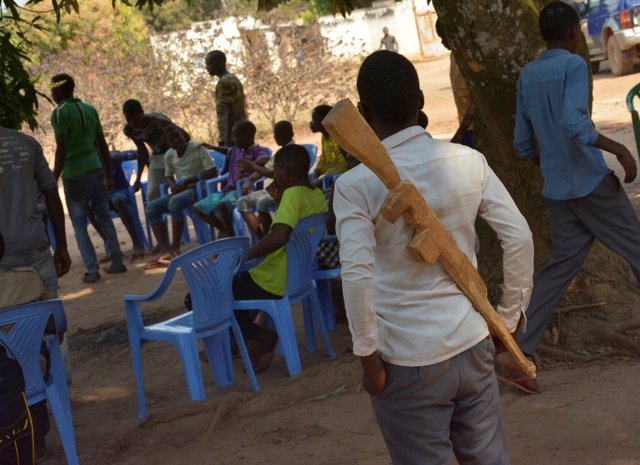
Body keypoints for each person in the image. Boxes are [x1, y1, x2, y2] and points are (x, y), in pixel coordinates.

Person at [333, 50, 534, 465]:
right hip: (472, 342)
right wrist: (508, 319)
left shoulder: (354, 185)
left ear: (366, 114)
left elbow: (355, 275)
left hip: (406, 359)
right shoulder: (468, 161)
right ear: (421, 101)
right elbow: (520, 236)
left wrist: (368, 360)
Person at [504, 1, 640, 393]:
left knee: (560, 268)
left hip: (558, 192)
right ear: (573, 35)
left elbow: (521, 142)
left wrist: (550, 167)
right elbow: (572, 121)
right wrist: (620, 149)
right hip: (591, 184)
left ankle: (520, 350)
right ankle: (520, 349)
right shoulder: (574, 65)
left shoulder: (528, 74)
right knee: (636, 249)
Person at [0, 126, 72, 461]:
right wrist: (61, 245)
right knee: (47, 333)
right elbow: (50, 193)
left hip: (3, 259)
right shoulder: (25, 142)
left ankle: (20, 419)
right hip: (38, 249)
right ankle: (56, 396)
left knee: (9, 347)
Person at [233, 144, 328, 371]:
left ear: (284, 173)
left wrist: (245, 256)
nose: (274, 177)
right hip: (298, 276)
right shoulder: (316, 195)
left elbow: (279, 237)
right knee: (234, 290)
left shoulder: (293, 196)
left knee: (210, 292)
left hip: (274, 278)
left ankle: (259, 337)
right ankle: (248, 340)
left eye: (276, 172)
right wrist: (279, 201)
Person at [50, 74, 127, 283]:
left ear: (59, 90)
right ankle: (117, 261)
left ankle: (92, 270)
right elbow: (102, 144)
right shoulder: (90, 109)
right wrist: (109, 174)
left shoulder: (59, 114)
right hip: (95, 167)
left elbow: (62, 147)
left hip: (74, 172)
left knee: (78, 222)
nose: (51, 93)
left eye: (53, 89)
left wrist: (53, 177)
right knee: (103, 215)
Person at [144, 129, 218, 268]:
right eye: (172, 140)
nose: (176, 142)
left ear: (185, 138)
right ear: (168, 144)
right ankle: (165, 250)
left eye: (178, 138)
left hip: (198, 188)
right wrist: (173, 185)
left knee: (175, 202)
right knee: (151, 207)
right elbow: (168, 175)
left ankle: (175, 249)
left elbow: (213, 171)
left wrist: (190, 180)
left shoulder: (197, 149)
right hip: (182, 189)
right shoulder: (169, 155)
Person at [193, 120, 269, 237]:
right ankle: (227, 232)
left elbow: (265, 159)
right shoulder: (235, 150)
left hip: (241, 192)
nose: (233, 140)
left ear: (248, 137)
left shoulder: (257, 150)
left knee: (221, 206)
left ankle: (230, 237)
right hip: (227, 191)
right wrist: (212, 147)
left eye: (236, 137)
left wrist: (250, 165)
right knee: (198, 208)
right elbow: (227, 151)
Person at [122, 99, 190, 202]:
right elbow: (142, 151)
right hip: (157, 157)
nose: (132, 123)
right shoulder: (129, 130)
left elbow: (185, 137)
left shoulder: (159, 121)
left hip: (176, 153)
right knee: (152, 195)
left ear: (142, 113)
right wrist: (138, 178)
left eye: (135, 119)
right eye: (128, 119)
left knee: (183, 187)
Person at [236, 120, 295, 237]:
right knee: (242, 202)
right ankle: (261, 237)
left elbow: (273, 174)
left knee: (262, 203)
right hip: (274, 188)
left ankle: (270, 237)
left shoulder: (291, 151)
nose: (275, 137)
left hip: (285, 190)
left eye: (277, 135)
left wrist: (252, 166)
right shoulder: (280, 152)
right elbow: (265, 169)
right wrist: (249, 180)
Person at [88, 151, 145, 259]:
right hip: (103, 196)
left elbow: (141, 154)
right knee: (88, 209)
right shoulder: (87, 163)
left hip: (120, 190)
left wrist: (137, 179)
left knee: (117, 200)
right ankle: (112, 248)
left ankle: (136, 243)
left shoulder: (114, 156)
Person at [435, 20, 476, 147]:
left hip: (472, 127)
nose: (442, 42)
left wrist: (460, 133)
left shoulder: (469, 59)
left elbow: (476, 101)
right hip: (465, 126)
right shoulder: (454, 56)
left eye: (444, 38)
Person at [205, 50, 247, 148]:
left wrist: (227, 141)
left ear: (219, 63)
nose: (207, 68)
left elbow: (229, 112)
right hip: (240, 131)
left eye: (209, 64)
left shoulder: (224, 83)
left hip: (231, 136)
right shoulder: (233, 79)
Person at [310, 105, 347, 180]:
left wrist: (328, 176)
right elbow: (323, 157)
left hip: (340, 176)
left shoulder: (337, 137)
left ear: (323, 120)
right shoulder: (324, 137)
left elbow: (343, 162)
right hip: (330, 175)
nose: (311, 123)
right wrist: (318, 170)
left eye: (314, 120)